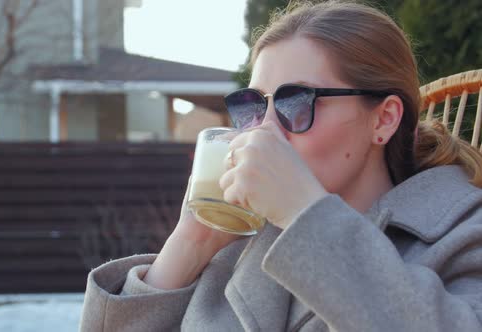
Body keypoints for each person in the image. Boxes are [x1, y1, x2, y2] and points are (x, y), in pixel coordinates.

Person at [79, 1, 482, 331]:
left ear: (384, 119)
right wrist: (193, 241)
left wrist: (305, 214)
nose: (265, 130)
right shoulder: (236, 246)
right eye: (253, 106)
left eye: (294, 102)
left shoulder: (461, 231)